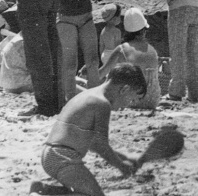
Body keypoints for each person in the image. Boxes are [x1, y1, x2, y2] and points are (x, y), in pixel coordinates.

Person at [34, 64, 147, 196]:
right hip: (64, 157)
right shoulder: (102, 103)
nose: (127, 105)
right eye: (131, 99)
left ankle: (44, 190)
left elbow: (92, 143)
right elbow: (100, 145)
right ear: (124, 89)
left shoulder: (89, 94)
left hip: (52, 154)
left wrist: (124, 157)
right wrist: (122, 166)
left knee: (85, 192)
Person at [98, 8, 161, 108]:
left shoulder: (122, 49)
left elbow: (102, 73)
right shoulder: (152, 49)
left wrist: (89, 73)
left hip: (132, 101)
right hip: (153, 101)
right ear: (144, 30)